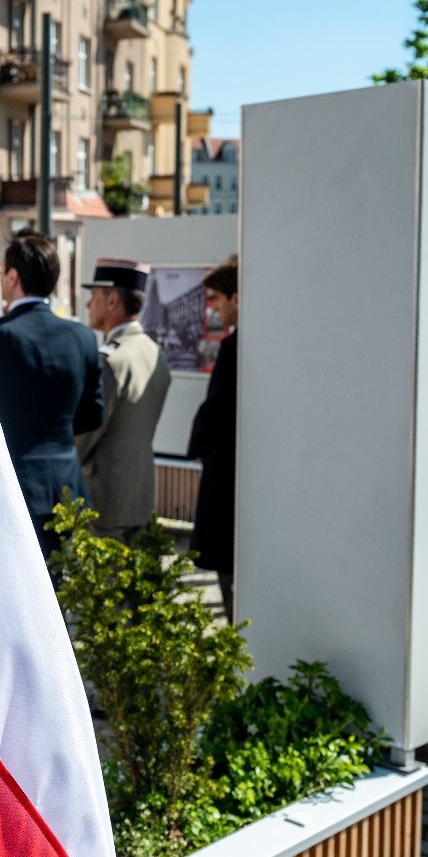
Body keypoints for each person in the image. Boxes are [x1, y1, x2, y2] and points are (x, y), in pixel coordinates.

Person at [0, 232, 104, 560]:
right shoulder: (82, 338)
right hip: (66, 488)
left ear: (13, 278)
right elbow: (92, 415)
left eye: (2, 272)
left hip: (7, 487)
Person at [77, 259, 172, 540]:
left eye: (93, 297)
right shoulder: (155, 354)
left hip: (104, 497)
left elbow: (86, 434)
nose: (88, 306)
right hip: (140, 492)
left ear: (113, 301)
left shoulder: (111, 360)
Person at [187, 259, 238, 621]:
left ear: (237, 297)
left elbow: (218, 407)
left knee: (229, 576)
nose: (215, 308)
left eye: (219, 298)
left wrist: (197, 445)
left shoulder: (236, 346)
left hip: (228, 476)